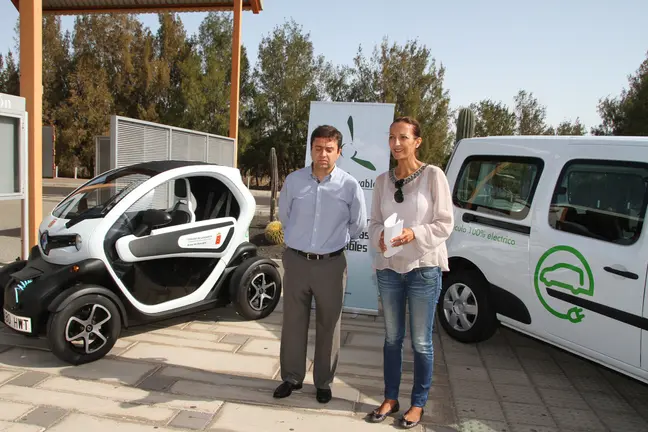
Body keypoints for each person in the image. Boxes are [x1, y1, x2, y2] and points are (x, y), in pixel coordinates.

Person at [366, 116, 454, 428]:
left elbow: (445, 223)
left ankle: (418, 404)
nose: (396, 144)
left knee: (421, 342)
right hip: (390, 268)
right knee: (392, 338)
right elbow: (373, 221)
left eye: (403, 137)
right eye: (392, 138)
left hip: (423, 269)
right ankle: (390, 398)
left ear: (417, 141)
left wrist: (414, 234)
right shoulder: (381, 181)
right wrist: (379, 235)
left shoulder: (433, 175)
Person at [273, 124, 367, 404]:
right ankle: (291, 377)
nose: (322, 154)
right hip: (297, 262)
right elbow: (285, 216)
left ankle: (323, 382)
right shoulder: (294, 181)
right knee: (293, 322)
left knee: (329, 323)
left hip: (331, 265)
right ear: (310, 149)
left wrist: (332, 242)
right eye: (317, 148)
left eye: (329, 149)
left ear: (338, 152)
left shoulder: (349, 185)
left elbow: (358, 224)